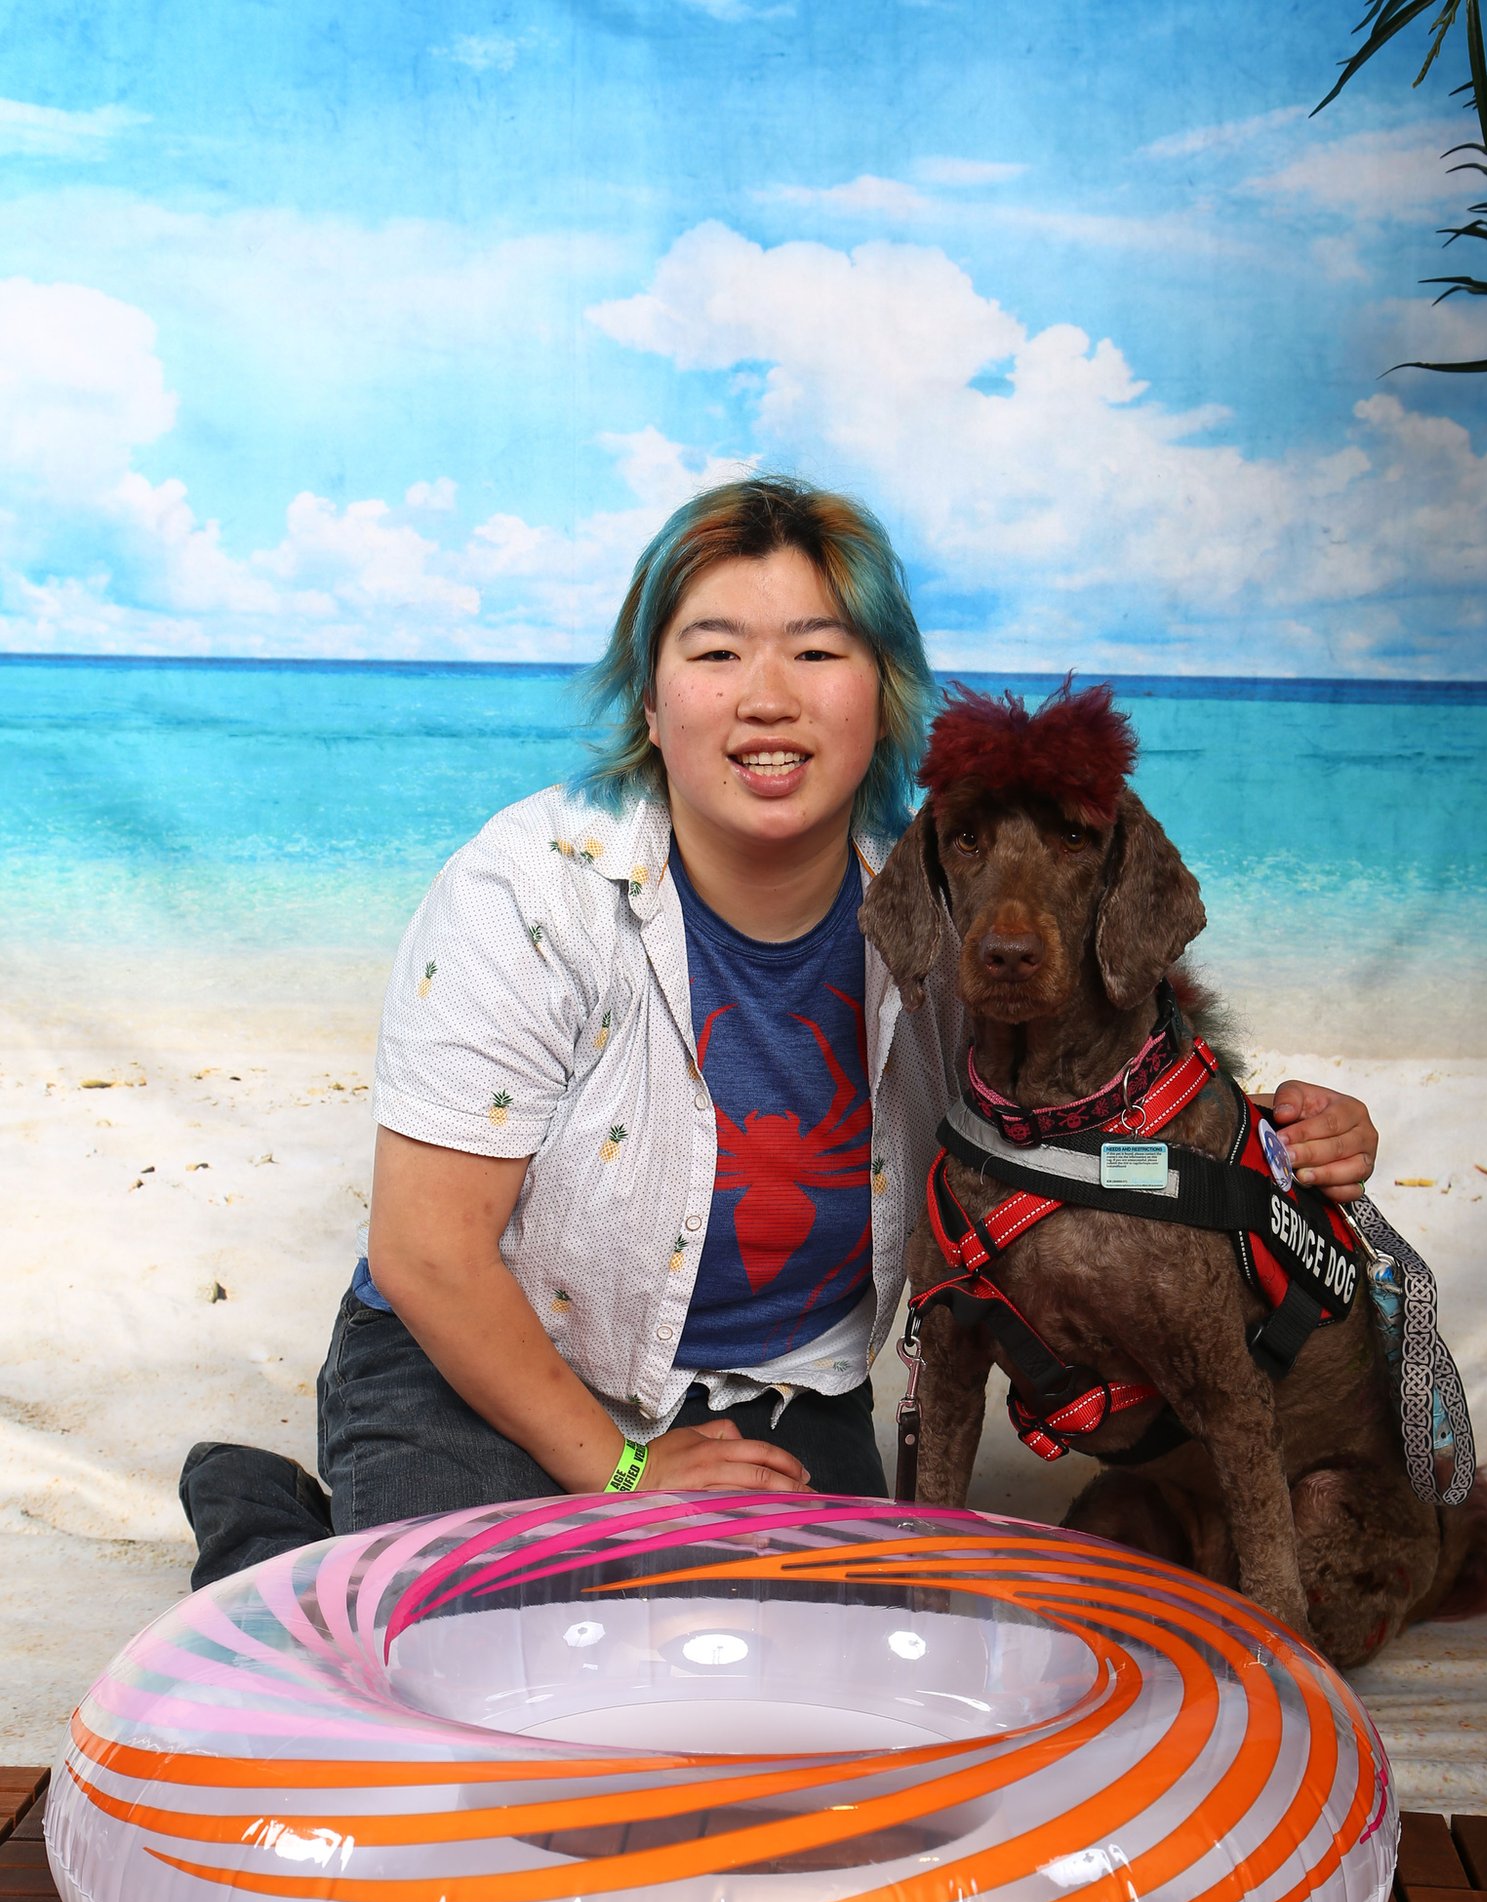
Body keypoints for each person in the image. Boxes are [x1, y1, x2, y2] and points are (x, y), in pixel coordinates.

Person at [181, 476, 1378, 1586]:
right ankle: (269, 1527)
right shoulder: (528, 891)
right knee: (488, 1640)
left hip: (777, 1393)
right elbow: (428, 1254)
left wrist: (1294, 1140)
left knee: (808, 1673)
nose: (767, 696)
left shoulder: (953, 903)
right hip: (489, 1363)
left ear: (882, 696)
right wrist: (627, 1473)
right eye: (715, 653)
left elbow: (1120, 1082)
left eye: (816, 650)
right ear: (651, 701)